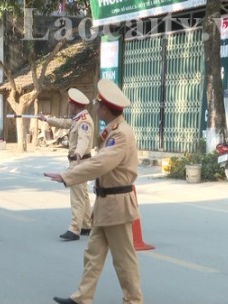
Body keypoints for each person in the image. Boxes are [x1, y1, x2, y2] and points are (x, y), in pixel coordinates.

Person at [44, 79, 143, 304]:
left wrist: (68, 175)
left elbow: (100, 164)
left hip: (117, 206)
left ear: (105, 109)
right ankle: (82, 297)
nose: (96, 107)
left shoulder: (121, 135)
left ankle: (133, 300)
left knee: (124, 260)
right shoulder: (112, 131)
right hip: (105, 205)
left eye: (98, 104)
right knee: (93, 255)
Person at [38, 88, 94, 241]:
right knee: (83, 194)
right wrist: (46, 119)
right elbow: (64, 123)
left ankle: (74, 229)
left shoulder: (84, 122)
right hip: (80, 161)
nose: (68, 106)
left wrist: (79, 153)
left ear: (75, 106)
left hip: (79, 162)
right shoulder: (78, 118)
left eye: (70, 104)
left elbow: (84, 139)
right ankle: (86, 224)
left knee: (76, 196)